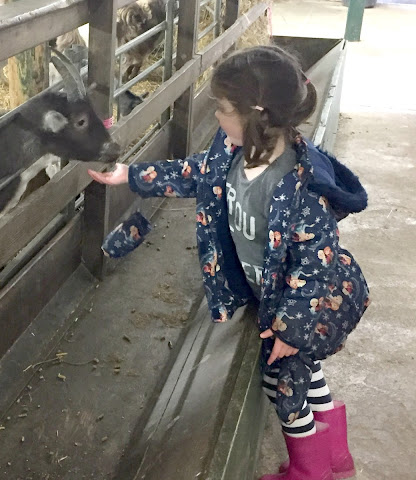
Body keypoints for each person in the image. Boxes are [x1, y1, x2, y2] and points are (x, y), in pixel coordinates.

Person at [88, 45, 370, 480]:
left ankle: (309, 471)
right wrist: (132, 175)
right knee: (306, 371)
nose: (214, 116)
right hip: (288, 296)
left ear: (254, 113)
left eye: (220, 108)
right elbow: (194, 172)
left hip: (317, 301)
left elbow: (316, 265)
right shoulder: (234, 153)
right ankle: (335, 457)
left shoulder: (297, 189)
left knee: (284, 381)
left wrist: (291, 330)